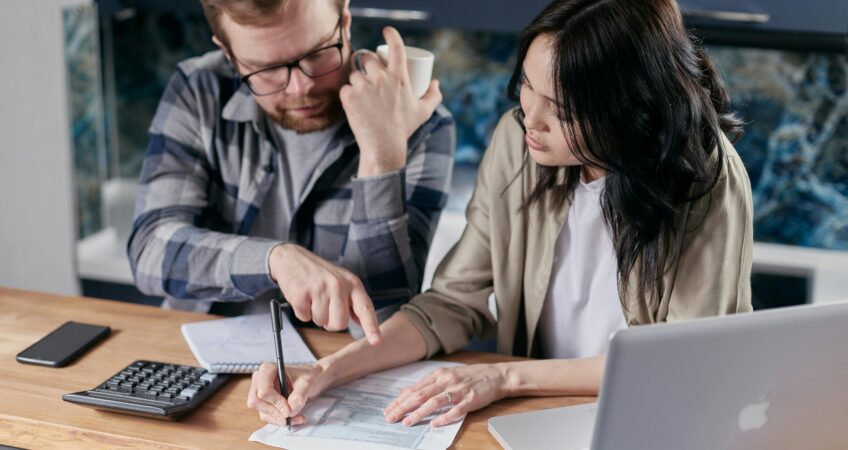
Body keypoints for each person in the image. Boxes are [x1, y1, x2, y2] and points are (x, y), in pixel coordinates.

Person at [247, 0, 754, 428]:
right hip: (537, 415)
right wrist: (328, 369)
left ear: (630, 109)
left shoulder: (707, 179)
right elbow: (451, 302)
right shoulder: (519, 143)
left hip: (650, 420)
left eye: (563, 110)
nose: (529, 117)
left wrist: (504, 377)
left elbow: (683, 362)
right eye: (528, 85)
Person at [127, 0, 456, 342]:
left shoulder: (420, 121)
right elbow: (149, 251)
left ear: (344, 21)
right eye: (264, 69)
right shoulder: (200, 89)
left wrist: (380, 158)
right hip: (197, 350)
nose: (301, 88)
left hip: (339, 367)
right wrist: (275, 260)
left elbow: (384, 324)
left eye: (316, 54)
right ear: (228, 54)